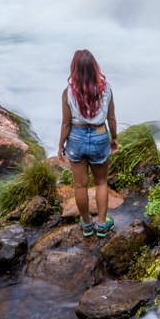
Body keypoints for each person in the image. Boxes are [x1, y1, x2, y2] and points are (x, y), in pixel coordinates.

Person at [58, 49, 118, 238]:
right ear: (94, 68)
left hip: (76, 137)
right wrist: (114, 138)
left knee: (80, 186)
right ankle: (102, 225)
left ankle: (86, 225)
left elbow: (66, 123)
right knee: (101, 183)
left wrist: (60, 146)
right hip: (100, 135)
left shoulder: (68, 93)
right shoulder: (106, 89)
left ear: (74, 69)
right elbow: (111, 118)